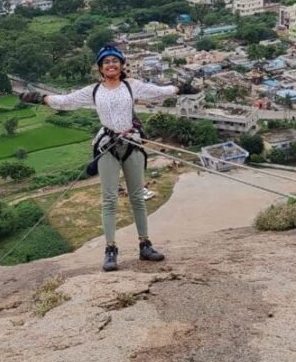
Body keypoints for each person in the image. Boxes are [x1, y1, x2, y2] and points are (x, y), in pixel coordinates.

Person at [19, 44, 195, 271]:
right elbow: (65, 101)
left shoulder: (132, 86)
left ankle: (145, 245)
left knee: (137, 198)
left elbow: (158, 92)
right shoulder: (94, 91)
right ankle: (110, 250)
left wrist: (178, 89)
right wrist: (39, 98)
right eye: (106, 62)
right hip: (107, 145)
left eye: (115, 61)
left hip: (132, 143)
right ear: (100, 68)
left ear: (122, 65)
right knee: (110, 199)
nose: (111, 65)